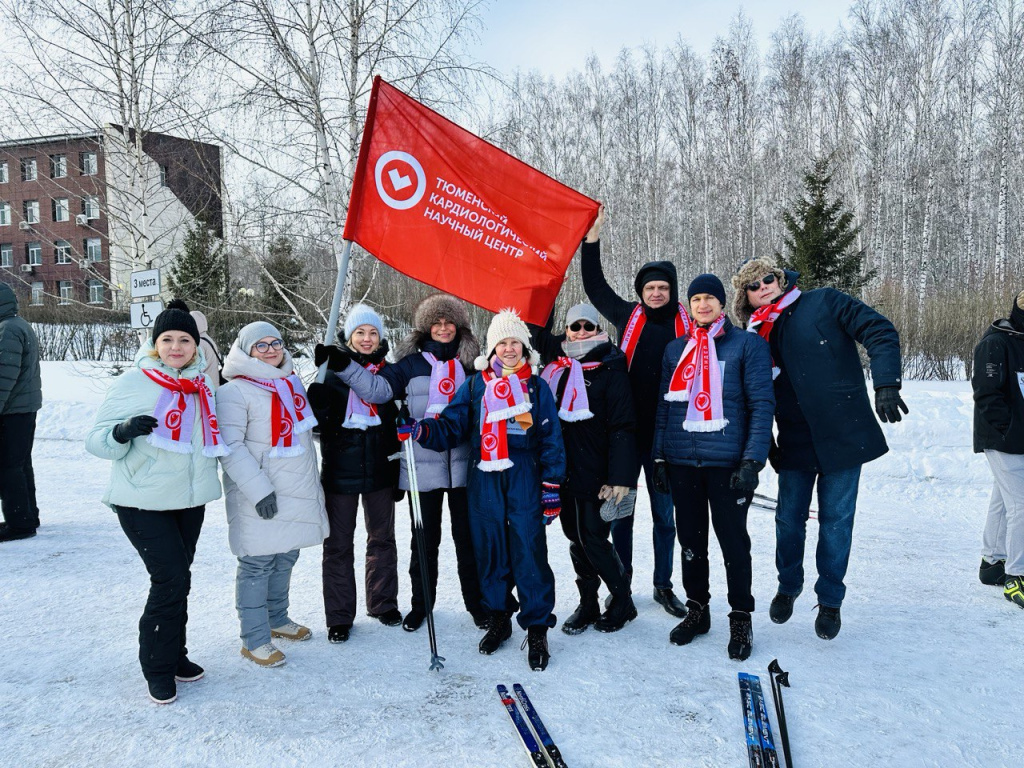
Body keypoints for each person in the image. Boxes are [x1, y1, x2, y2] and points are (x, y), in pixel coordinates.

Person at [731, 257, 906, 639]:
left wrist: (887, 382)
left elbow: (878, 329)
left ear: (780, 278)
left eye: (768, 278)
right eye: (754, 285)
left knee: (837, 522)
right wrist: (766, 446)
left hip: (844, 435)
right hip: (794, 441)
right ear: (746, 298)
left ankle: (830, 600)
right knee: (788, 519)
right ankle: (788, 585)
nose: (764, 286)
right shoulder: (753, 334)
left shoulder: (824, 301)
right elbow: (751, 398)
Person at [317, 294, 486, 631]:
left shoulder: (473, 364)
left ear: (458, 326)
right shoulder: (410, 364)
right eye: (435, 323)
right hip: (421, 463)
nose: (442, 328)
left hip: (465, 465)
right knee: (424, 540)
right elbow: (377, 390)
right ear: (426, 327)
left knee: (468, 540)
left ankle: (477, 604)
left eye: (448, 322)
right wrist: (344, 365)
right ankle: (422, 605)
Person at [410, 309, 566, 670]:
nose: (509, 349)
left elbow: (551, 440)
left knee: (528, 550)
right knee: (489, 548)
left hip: (524, 473)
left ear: (525, 348)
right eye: (502, 343)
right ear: (493, 348)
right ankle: (498, 616)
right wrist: (423, 430)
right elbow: (452, 424)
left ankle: (538, 625)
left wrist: (552, 484)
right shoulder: (477, 384)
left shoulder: (535, 386)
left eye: (515, 342)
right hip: (484, 477)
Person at [85, 306, 225, 704]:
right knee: (170, 579)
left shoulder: (203, 386)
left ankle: (174, 655)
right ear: (155, 344)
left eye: (184, 340)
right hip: (141, 501)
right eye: (167, 340)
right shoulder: (134, 383)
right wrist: (121, 432)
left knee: (180, 578)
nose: (176, 347)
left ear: (196, 345)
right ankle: (157, 667)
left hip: (188, 501)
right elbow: (94, 440)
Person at [653, 274, 774, 661]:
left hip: (729, 465)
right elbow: (664, 408)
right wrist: (659, 455)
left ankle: (740, 615)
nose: (702, 305)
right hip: (683, 462)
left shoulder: (747, 345)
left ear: (723, 303)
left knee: (733, 542)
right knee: (690, 541)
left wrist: (753, 459)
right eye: (696, 299)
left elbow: (760, 405)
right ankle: (697, 609)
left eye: (710, 298)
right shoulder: (676, 349)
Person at [581, 207, 690, 617]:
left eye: (663, 287)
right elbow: (596, 289)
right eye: (650, 287)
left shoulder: (690, 324)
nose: (657, 293)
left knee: (665, 517)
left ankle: (663, 585)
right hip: (625, 436)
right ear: (640, 291)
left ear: (672, 290)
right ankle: (620, 583)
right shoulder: (628, 316)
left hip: (669, 438)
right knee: (620, 516)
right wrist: (591, 242)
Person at [217, 322, 329, 667]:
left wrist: (320, 419)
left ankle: (277, 619)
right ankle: (254, 639)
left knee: (285, 556)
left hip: (295, 487)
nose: (270, 350)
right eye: (260, 345)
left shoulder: (290, 384)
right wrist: (258, 490)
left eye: (275, 343)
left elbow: (300, 433)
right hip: (261, 493)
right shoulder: (233, 391)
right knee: (257, 563)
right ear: (246, 350)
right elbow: (230, 447)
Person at [531, 303, 638, 634]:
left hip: (598, 471)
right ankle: (588, 603)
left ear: (597, 329)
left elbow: (624, 427)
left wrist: (620, 477)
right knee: (574, 536)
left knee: (593, 537)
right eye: (574, 327)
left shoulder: (611, 367)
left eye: (587, 326)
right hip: (564, 469)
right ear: (566, 330)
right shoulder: (556, 366)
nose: (580, 332)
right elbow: (533, 328)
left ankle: (623, 600)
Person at [308, 304, 402, 643]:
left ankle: (383, 603)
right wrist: (317, 404)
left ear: (380, 338)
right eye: (360, 332)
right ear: (349, 337)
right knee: (337, 545)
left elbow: (396, 422)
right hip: (340, 473)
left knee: (382, 540)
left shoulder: (389, 373)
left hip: (379, 469)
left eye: (373, 333)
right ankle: (339, 615)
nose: (366, 338)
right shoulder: (329, 372)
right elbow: (316, 427)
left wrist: (398, 472)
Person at [972, 289, 1024, 609]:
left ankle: (992, 564)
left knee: (1004, 502)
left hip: (1019, 438)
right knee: (1022, 504)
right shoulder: (996, 342)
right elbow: (987, 394)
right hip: (1002, 439)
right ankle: (1018, 575)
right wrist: (1006, 429)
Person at [0, 282, 42, 543]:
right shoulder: (17, 324)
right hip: (21, 409)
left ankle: (19, 524)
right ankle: (27, 516)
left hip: (12, 411)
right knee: (20, 465)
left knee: (7, 468)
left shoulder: (7, 330)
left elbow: (3, 377)